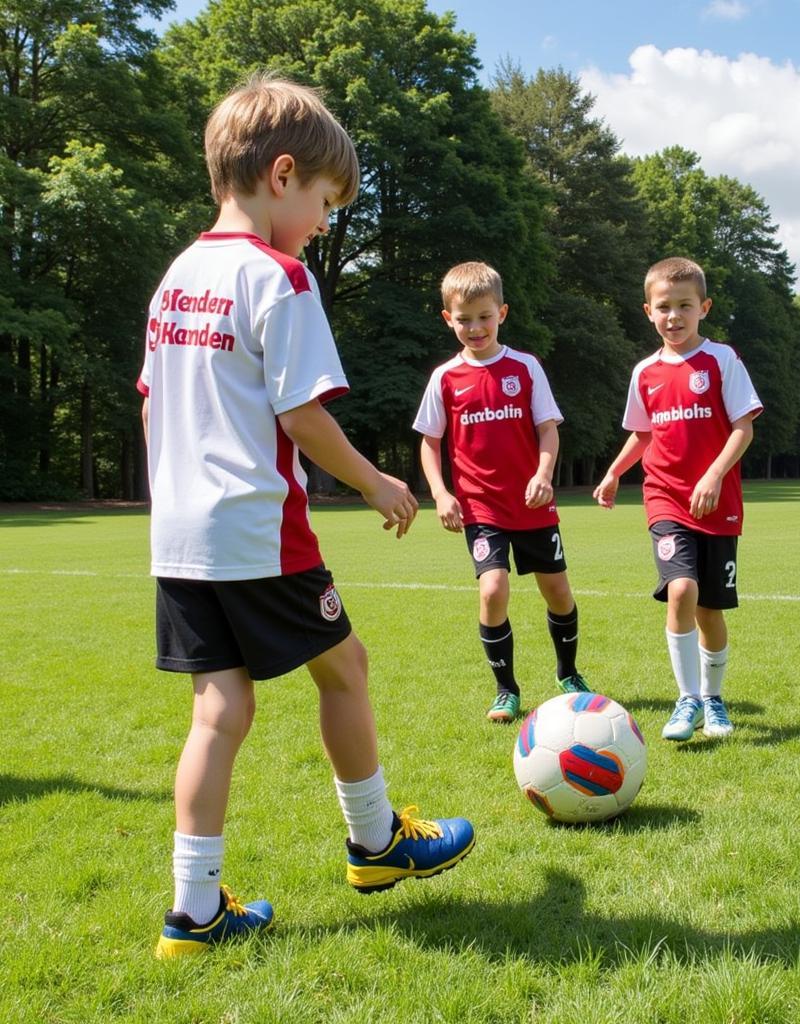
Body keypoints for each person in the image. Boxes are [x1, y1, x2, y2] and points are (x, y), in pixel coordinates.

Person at [139, 73, 474, 959]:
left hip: (178, 538)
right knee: (347, 667)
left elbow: (150, 407)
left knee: (219, 710)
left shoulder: (177, 278)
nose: (325, 224)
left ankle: (194, 911)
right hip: (257, 530)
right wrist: (376, 482)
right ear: (282, 175)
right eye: (326, 202)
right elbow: (302, 415)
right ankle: (376, 844)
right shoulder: (279, 278)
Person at [413, 261, 591, 723]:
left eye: (484, 316)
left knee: (557, 591)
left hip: (533, 505)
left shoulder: (525, 367)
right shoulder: (445, 378)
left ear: (502, 313)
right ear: (447, 318)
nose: (475, 328)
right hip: (481, 507)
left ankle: (568, 672)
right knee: (492, 590)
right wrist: (441, 493)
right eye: (464, 318)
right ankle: (505, 689)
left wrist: (544, 474)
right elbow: (430, 444)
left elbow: (548, 432)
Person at [593, 257, 762, 742]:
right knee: (681, 590)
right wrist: (612, 472)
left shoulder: (721, 360)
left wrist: (712, 476)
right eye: (664, 307)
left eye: (684, 306)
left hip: (717, 502)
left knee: (709, 609)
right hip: (665, 497)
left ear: (703, 307)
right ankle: (686, 698)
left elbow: (743, 427)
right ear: (648, 311)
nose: (674, 316)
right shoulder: (645, 371)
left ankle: (714, 698)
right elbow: (643, 434)